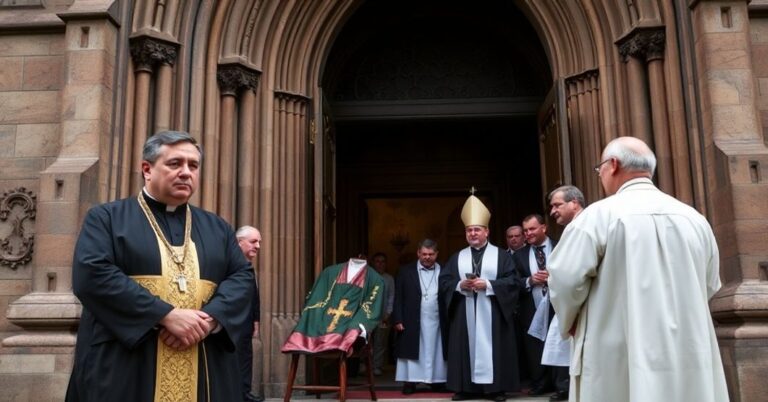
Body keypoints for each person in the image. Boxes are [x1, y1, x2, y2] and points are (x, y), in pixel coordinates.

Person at [66, 131, 255, 401]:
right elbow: (92, 274)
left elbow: (242, 277)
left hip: (203, 360)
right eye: (175, 163)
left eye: (193, 165)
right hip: (127, 365)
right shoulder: (107, 218)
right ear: (147, 169)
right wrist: (164, 315)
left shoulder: (217, 228)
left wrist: (210, 318)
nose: (186, 172)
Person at [548, 136, 729, 402]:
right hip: (688, 348)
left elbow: (564, 281)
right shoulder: (694, 219)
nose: (601, 176)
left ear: (613, 164)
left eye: (600, 170)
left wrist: (570, 320)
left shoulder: (596, 217)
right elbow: (711, 284)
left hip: (617, 346)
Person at [438, 193, 521, 402]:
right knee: (465, 349)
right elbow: (444, 282)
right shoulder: (457, 257)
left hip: (493, 312)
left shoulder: (501, 255)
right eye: (469, 230)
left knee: (494, 348)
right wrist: (459, 285)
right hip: (465, 313)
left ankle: (496, 389)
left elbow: (514, 281)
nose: (472, 233)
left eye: (477, 229)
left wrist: (489, 285)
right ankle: (466, 388)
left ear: (487, 231)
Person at [282, 256, 384, 355]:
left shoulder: (375, 279)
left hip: (350, 328)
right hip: (323, 325)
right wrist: (316, 321)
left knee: (352, 334)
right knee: (308, 325)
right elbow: (315, 300)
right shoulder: (329, 273)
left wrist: (353, 329)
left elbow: (371, 309)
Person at [540, 185, 585, 401]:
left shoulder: (581, 228)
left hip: (581, 306)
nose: (552, 211)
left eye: (557, 205)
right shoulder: (574, 227)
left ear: (574, 203)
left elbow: (573, 275)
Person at [392, 239, 447, 394]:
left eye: (430, 254)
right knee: (412, 350)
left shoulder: (445, 269)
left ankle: (437, 381)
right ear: (418, 253)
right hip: (412, 318)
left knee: (436, 350)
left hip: (438, 320)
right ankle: (410, 382)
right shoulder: (405, 271)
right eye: (424, 254)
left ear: (436, 254)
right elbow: (399, 297)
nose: (427, 257)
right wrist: (398, 319)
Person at [512, 214, 557, 396]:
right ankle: (539, 384)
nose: (528, 233)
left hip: (558, 307)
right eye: (525, 231)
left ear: (544, 228)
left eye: (532, 229)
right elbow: (513, 282)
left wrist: (553, 278)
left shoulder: (560, 246)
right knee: (533, 348)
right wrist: (530, 280)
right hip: (531, 308)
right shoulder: (519, 255)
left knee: (558, 344)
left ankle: (562, 385)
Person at [236, 226, 264, 402]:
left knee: (246, 358)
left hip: (246, 321)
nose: (258, 246)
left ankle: (244, 393)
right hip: (232, 320)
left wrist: (256, 319)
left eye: (259, 242)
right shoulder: (229, 262)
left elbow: (254, 294)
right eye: (254, 241)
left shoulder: (247, 265)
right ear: (239, 242)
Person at [369, 252, 395, 376]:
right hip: (368, 316)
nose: (380, 264)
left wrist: (388, 313)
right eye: (377, 261)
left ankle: (377, 366)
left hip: (383, 316)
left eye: (382, 261)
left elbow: (391, 296)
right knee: (367, 342)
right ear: (373, 263)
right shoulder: (367, 277)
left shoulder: (389, 278)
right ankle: (366, 366)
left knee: (381, 342)